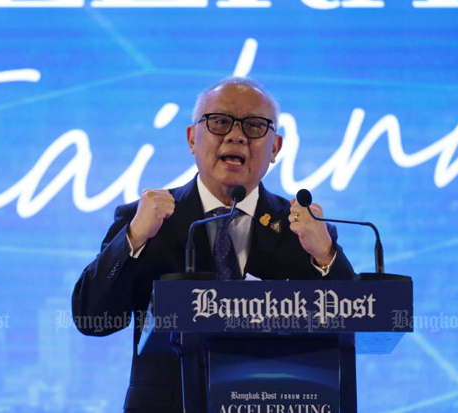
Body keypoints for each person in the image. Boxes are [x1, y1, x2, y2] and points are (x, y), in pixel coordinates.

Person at [72, 77, 355, 412]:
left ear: (275, 148)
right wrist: (133, 238)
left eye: (254, 126)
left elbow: (356, 321)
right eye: (220, 122)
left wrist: (324, 255)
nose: (236, 135)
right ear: (192, 138)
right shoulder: (146, 220)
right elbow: (92, 318)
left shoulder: (302, 228)